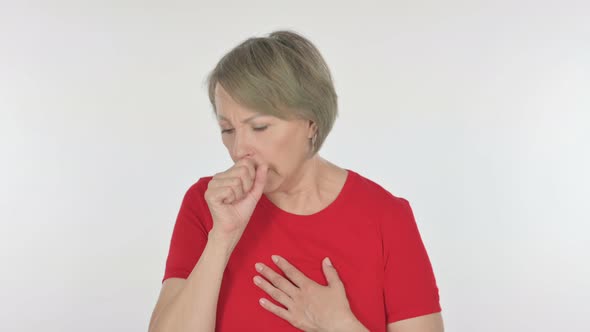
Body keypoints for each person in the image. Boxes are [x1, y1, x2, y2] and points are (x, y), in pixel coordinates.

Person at [148, 30, 443, 332]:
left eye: (259, 127)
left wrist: (339, 325)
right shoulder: (207, 204)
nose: (238, 150)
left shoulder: (386, 218)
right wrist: (221, 238)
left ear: (311, 124)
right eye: (227, 129)